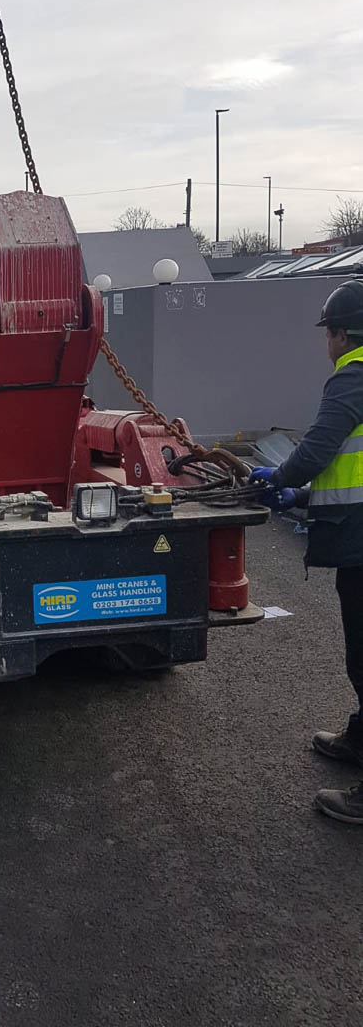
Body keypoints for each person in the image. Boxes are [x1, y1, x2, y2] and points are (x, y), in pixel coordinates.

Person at [252, 280, 363, 823]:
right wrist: (304, 494)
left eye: (330, 334)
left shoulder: (354, 374)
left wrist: (285, 475)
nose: (328, 344)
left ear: (342, 334)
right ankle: (361, 740)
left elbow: (320, 446)